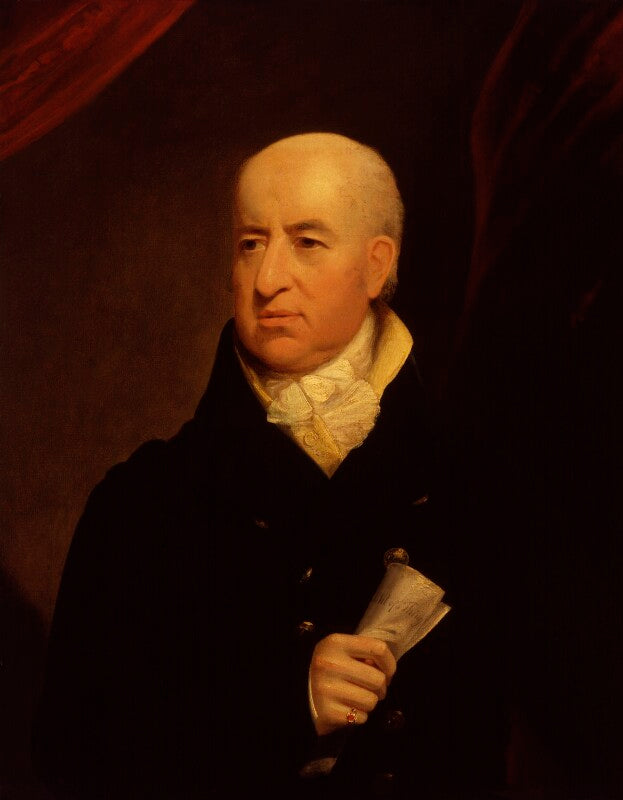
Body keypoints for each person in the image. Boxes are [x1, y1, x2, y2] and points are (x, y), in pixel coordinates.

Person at [32, 133, 509, 799]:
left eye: (307, 242)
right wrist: (288, 707)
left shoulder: (475, 483)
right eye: (251, 244)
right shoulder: (142, 502)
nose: (266, 280)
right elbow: (73, 758)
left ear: (376, 266)